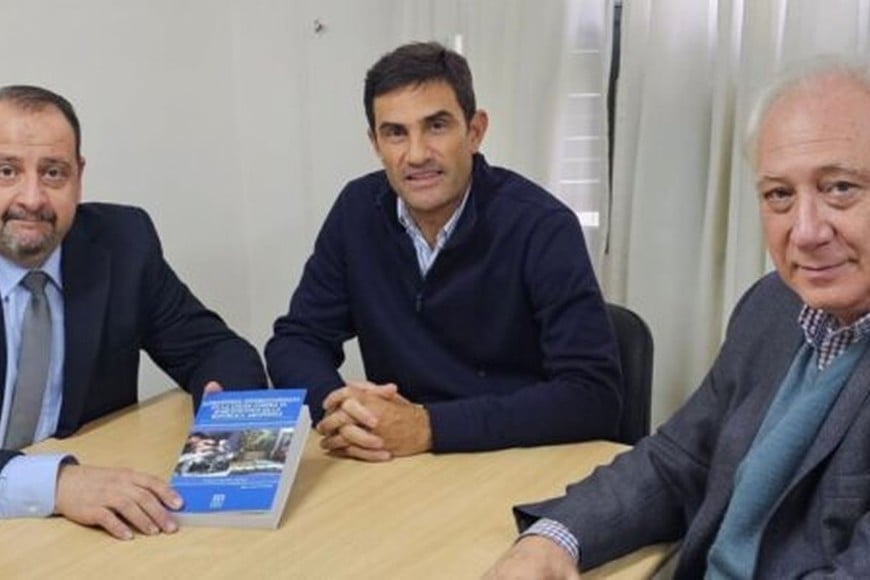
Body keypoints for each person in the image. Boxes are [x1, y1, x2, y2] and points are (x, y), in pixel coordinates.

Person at [484, 57, 870, 579]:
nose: (805, 232)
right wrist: (553, 539)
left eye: (840, 187)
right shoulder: (773, 305)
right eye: (779, 194)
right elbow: (678, 460)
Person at [265, 41, 621, 462]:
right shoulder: (357, 211)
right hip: (402, 464)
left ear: (475, 131)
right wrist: (339, 407)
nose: (416, 155)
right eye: (395, 133)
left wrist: (429, 427)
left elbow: (592, 396)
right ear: (375, 143)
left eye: (436, 126)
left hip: (514, 460)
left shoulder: (541, 226)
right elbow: (297, 340)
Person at [0, 85, 267, 540]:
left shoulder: (123, 242)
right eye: (6, 171)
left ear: (79, 177)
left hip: (82, 535)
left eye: (53, 173)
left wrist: (229, 416)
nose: (33, 198)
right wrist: (56, 484)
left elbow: (213, 349)